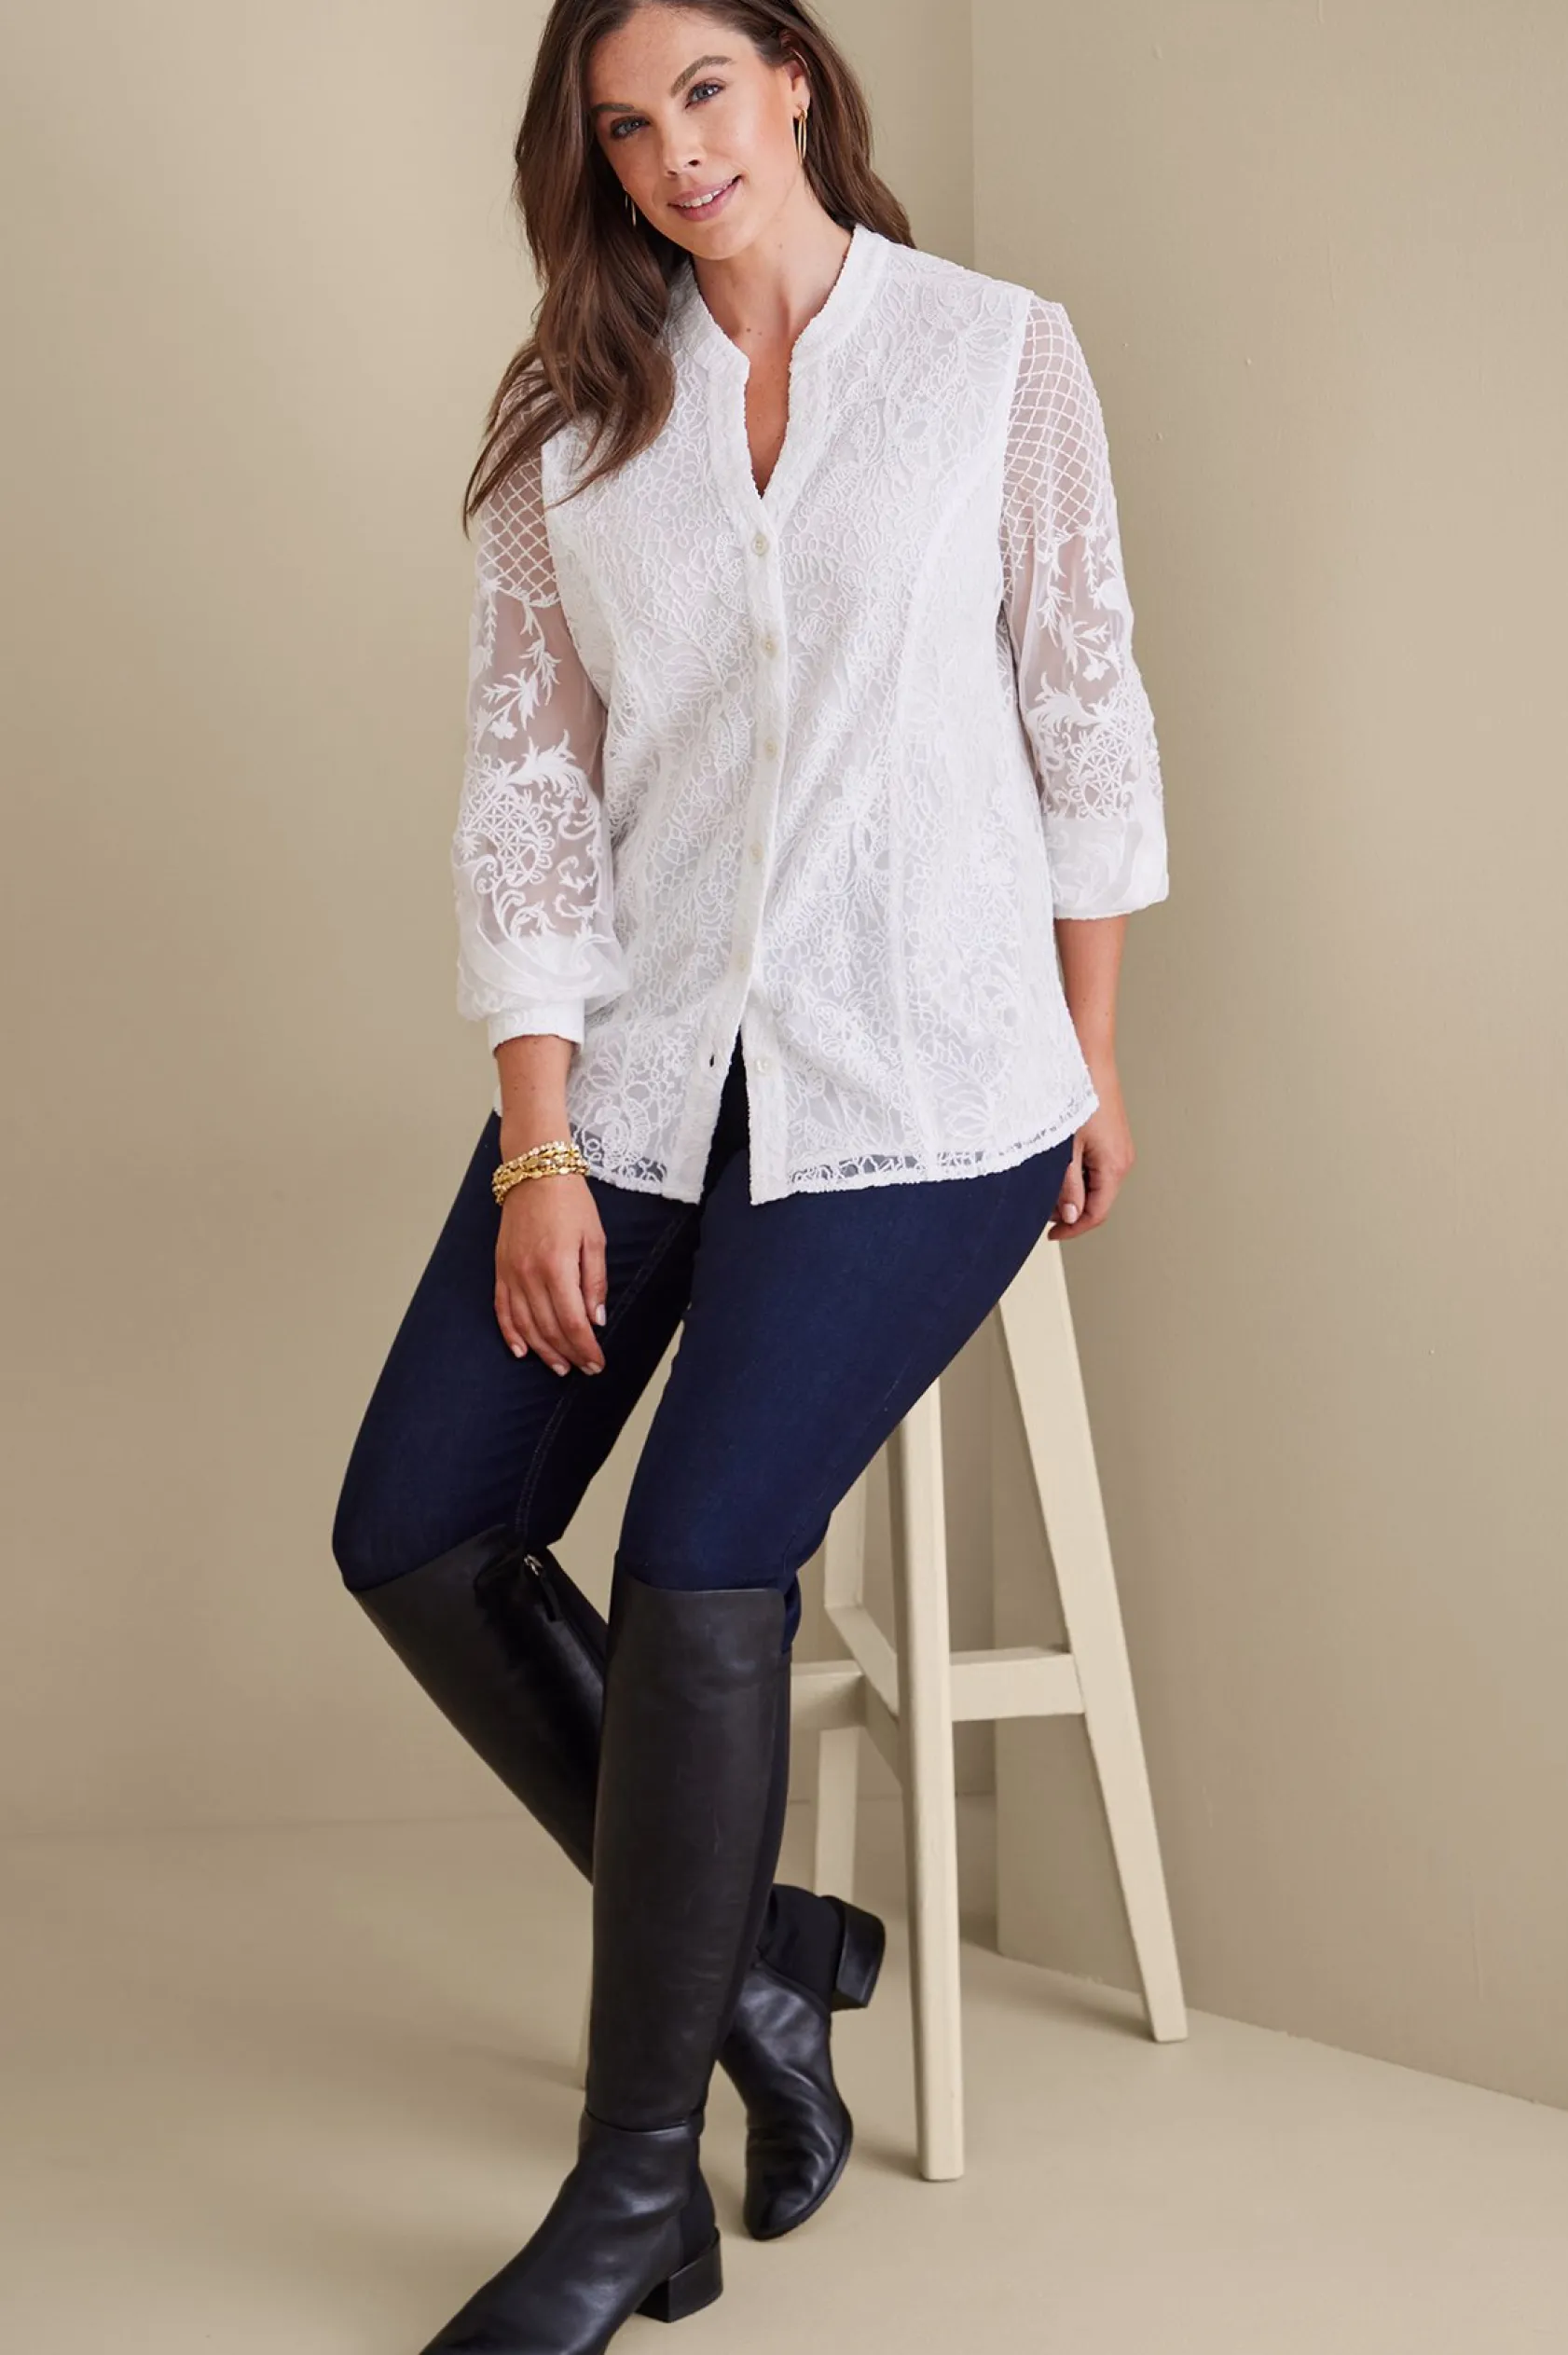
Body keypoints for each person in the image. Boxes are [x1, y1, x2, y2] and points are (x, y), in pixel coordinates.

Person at [329, 2, 1169, 2347]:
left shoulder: (994, 358)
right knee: (415, 1527)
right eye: (624, 128)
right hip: (638, 1073)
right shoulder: (573, 426)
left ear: (793, 80)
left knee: (701, 1551)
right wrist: (536, 1144)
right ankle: (765, 1961)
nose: (673, 154)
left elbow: (1082, 706)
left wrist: (1091, 1055)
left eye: (703, 93)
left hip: (924, 1079)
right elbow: (528, 799)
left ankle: (633, 2197)